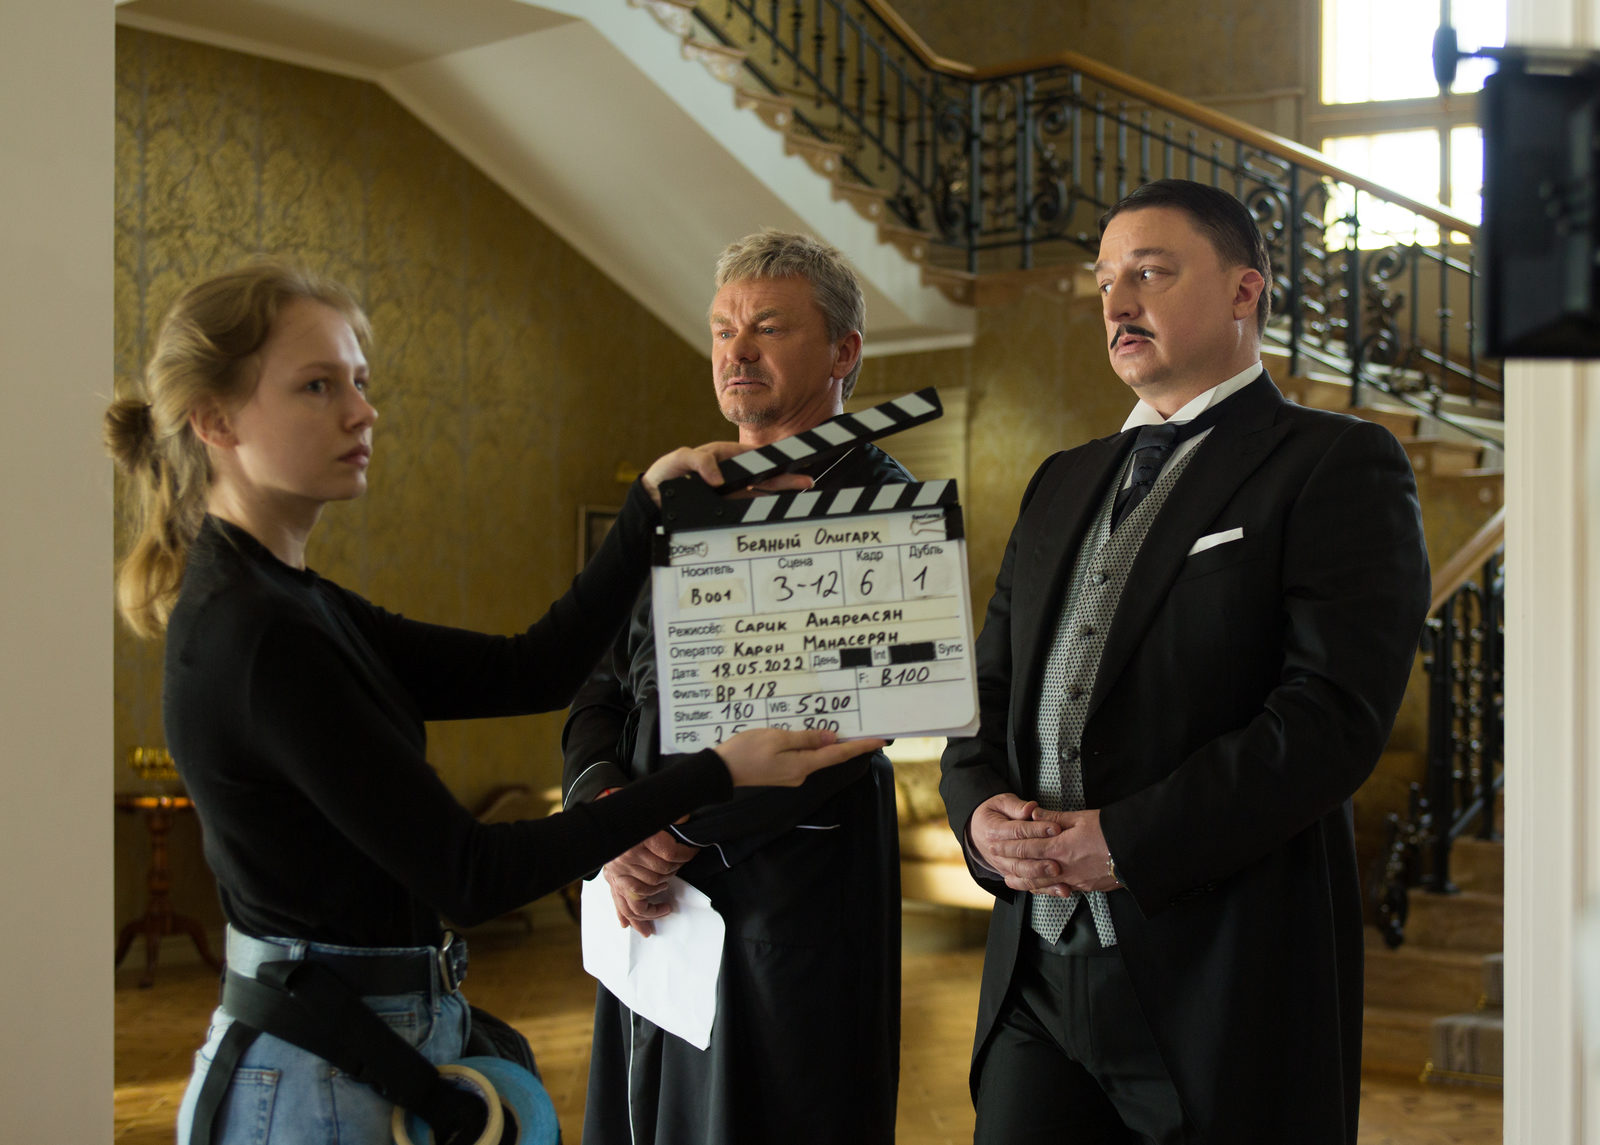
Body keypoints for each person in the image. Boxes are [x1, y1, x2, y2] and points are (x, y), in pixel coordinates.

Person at [102, 263, 882, 1145]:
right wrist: (713, 774)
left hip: (361, 1043)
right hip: (321, 1068)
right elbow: (473, 875)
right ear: (214, 420)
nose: (362, 412)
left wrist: (648, 506)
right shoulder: (257, 632)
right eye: (317, 386)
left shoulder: (295, 598)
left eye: (359, 381)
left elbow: (529, 671)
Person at [939, 180, 1431, 1144]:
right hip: (1034, 980)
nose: (1118, 304)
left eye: (1151, 274)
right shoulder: (1059, 480)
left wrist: (1125, 840)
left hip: (1222, 981)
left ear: (1246, 290)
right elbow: (982, 692)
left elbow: (1329, 722)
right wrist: (980, 814)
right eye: (1105, 281)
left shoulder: (1337, 463)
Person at [562, 231, 910, 1145]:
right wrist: (604, 813)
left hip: (789, 896)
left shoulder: (886, 504)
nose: (736, 351)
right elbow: (600, 679)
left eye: (767, 327)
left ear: (843, 352)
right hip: (641, 890)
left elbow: (854, 723)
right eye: (723, 329)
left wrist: (673, 830)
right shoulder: (681, 494)